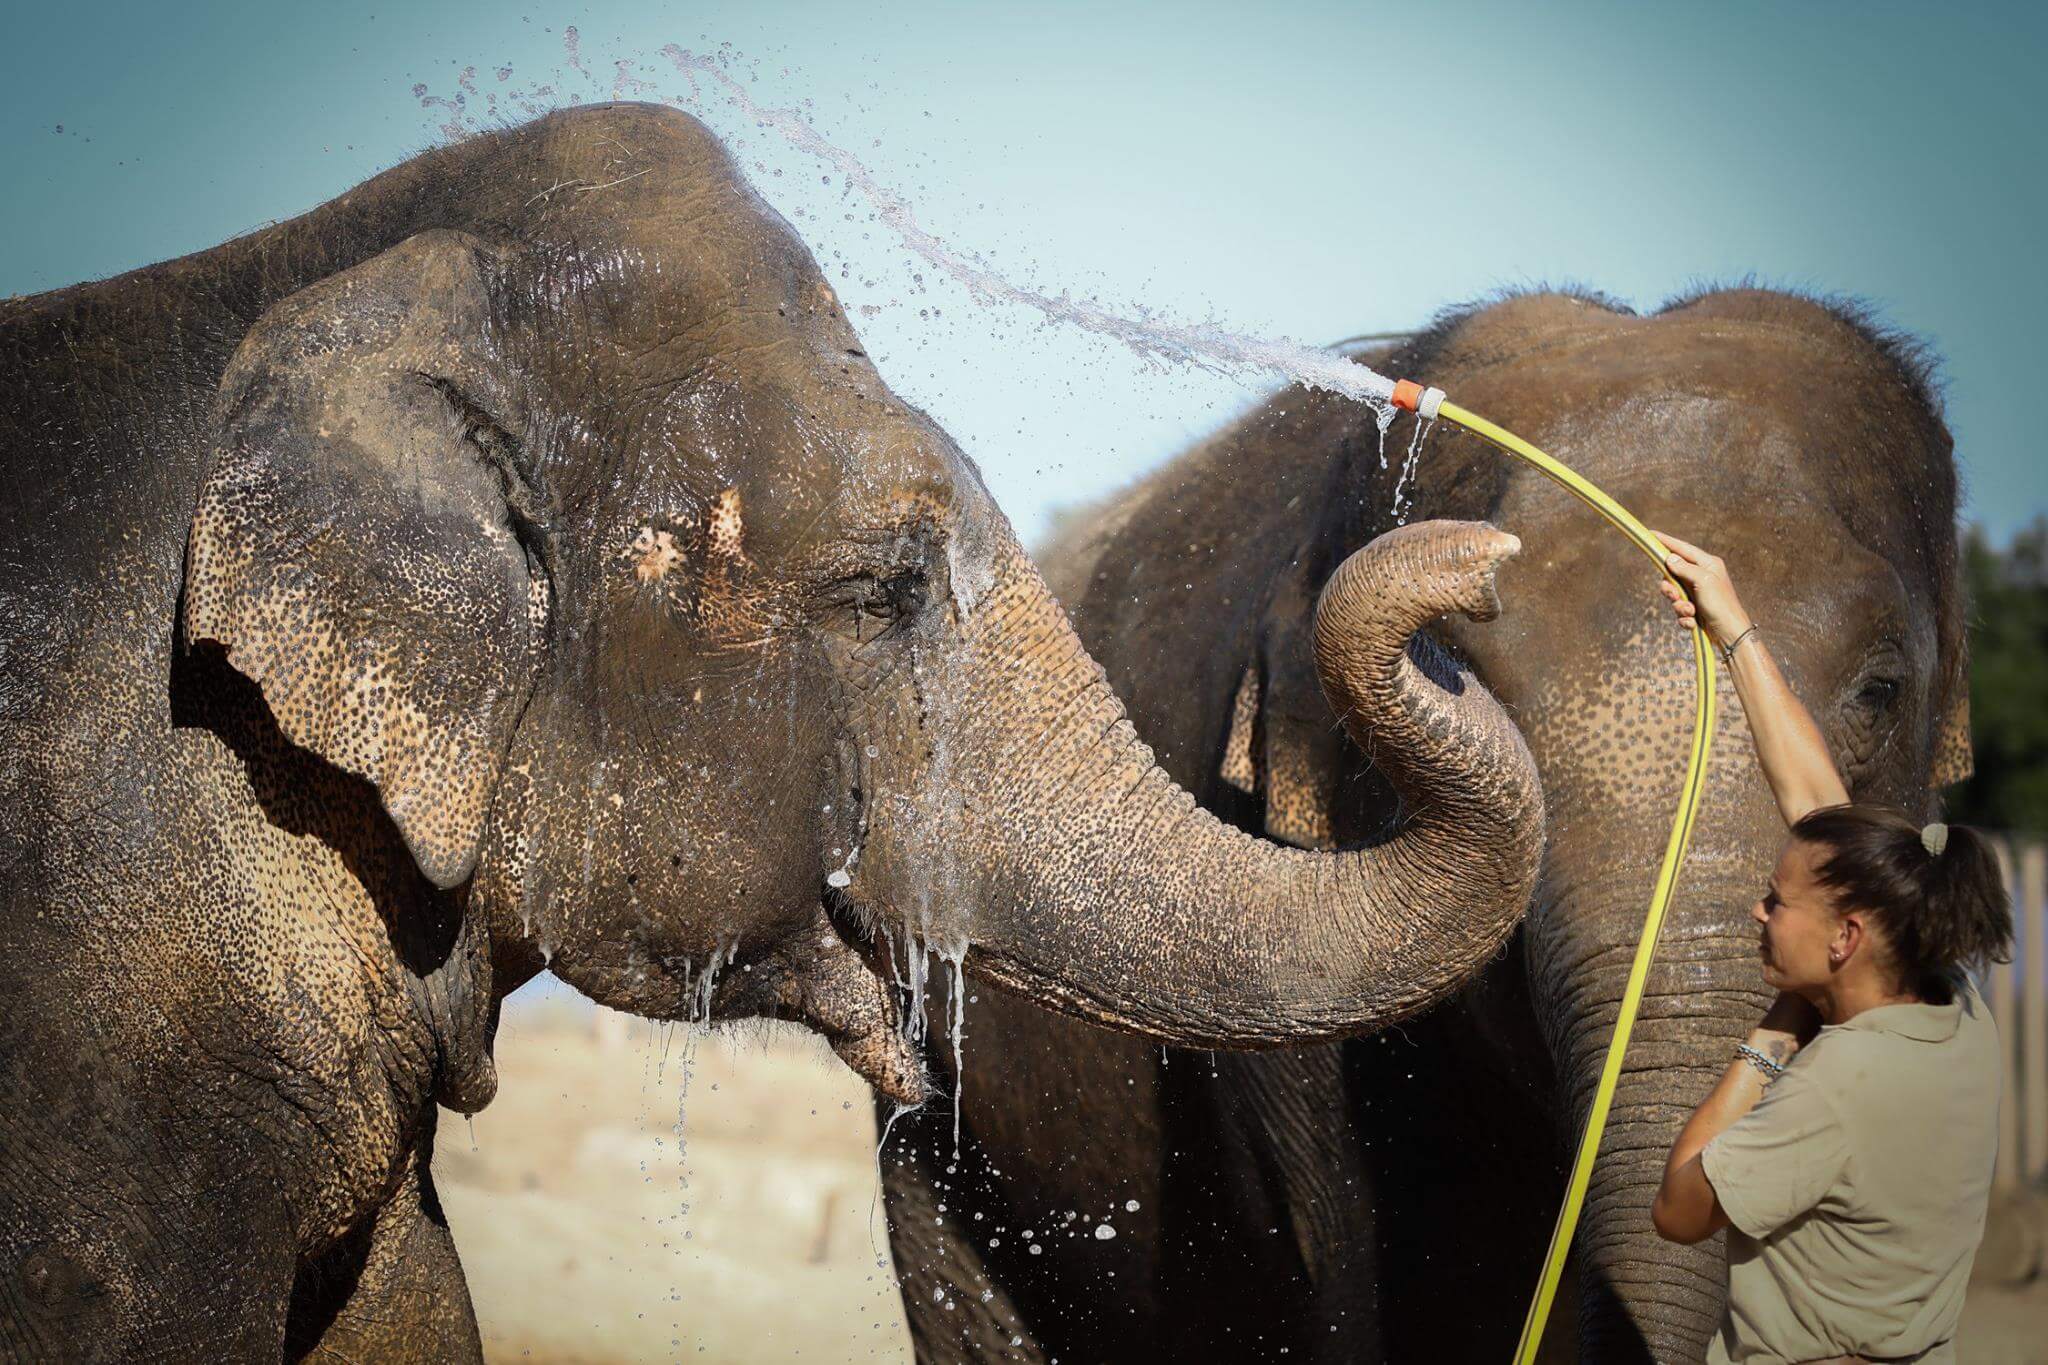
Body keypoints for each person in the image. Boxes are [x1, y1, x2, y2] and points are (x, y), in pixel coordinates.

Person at [1645, 532, 2014, 1364]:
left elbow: (1679, 1209)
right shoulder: (1955, 1008)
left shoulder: (1835, 1084)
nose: (1758, 909)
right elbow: (1820, 811)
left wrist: (1774, 1035)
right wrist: (1730, 625)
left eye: (1776, 902)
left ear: (1847, 938)